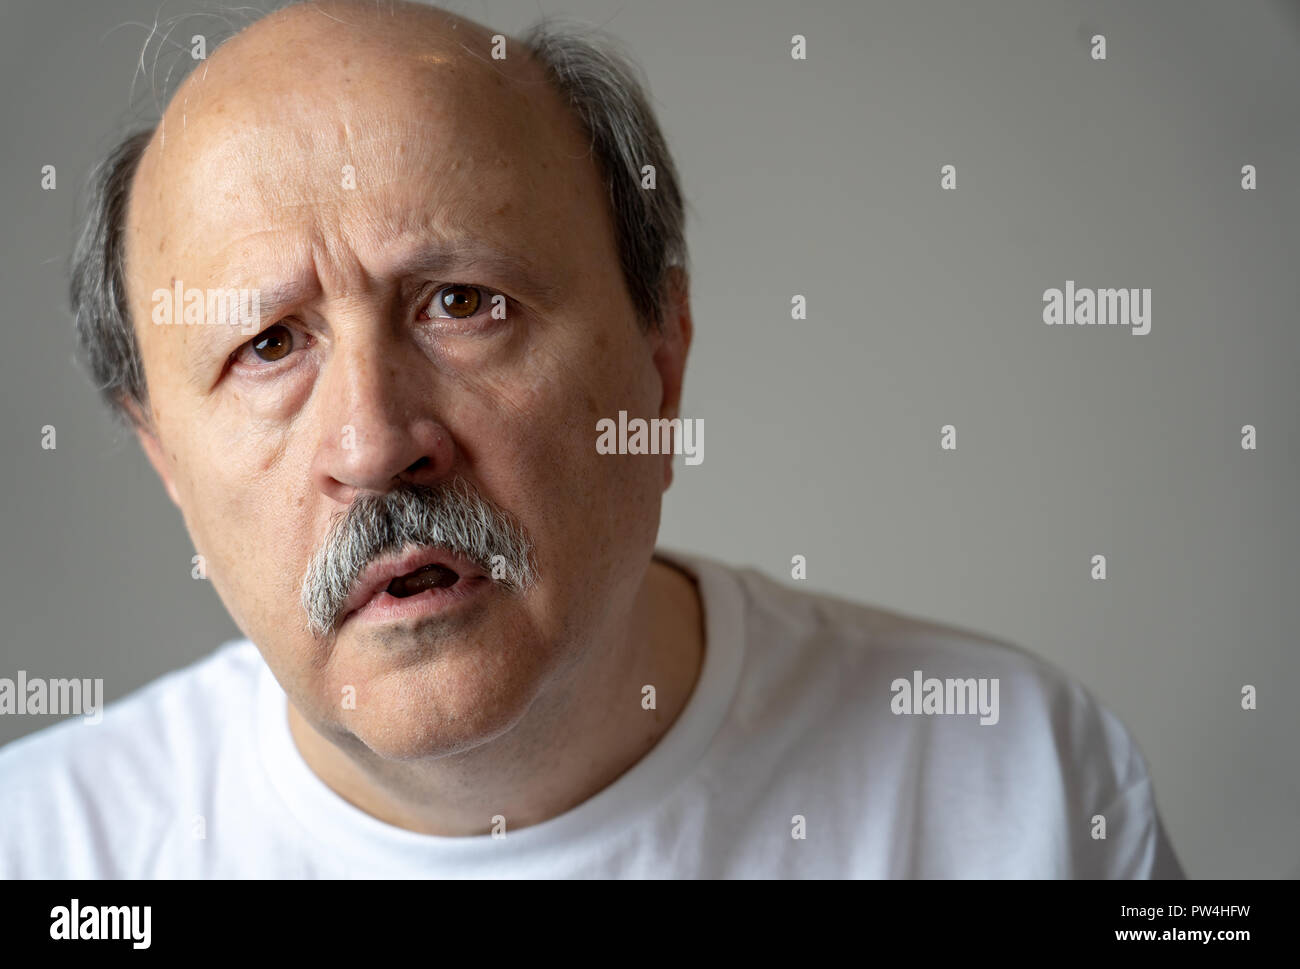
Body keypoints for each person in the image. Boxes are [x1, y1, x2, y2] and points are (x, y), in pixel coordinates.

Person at [0, 0, 1183, 878]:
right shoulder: (49, 850)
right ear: (165, 460)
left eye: (463, 302)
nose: (372, 443)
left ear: (659, 360)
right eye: (267, 346)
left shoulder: (1019, 783)